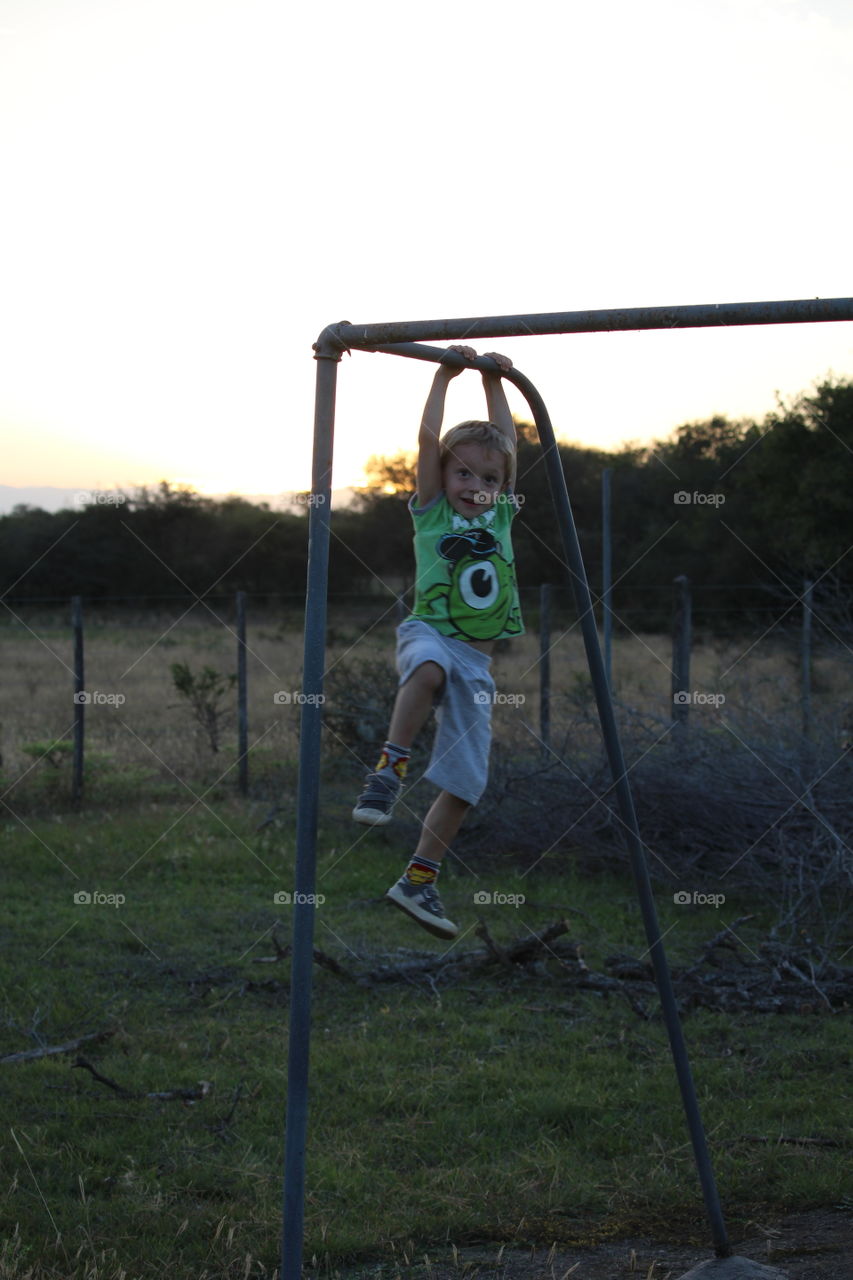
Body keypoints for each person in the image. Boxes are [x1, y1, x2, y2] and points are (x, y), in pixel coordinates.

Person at [352, 345, 524, 939]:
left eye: (489, 478)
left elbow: (507, 440)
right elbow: (428, 441)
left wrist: (494, 381)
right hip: (431, 632)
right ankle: (388, 770)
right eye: (464, 473)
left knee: (465, 783)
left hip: (477, 662)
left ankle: (418, 880)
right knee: (426, 672)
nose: (477, 486)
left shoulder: (499, 516)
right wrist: (445, 377)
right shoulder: (431, 513)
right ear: (443, 474)